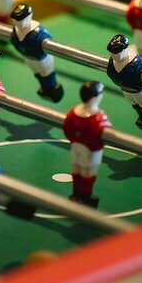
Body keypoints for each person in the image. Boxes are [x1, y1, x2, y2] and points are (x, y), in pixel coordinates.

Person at [62, 80, 112, 208]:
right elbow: (105, 132)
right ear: (95, 97)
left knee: (76, 169)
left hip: (76, 146)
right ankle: (85, 196)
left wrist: (75, 139)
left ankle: (76, 194)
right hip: (91, 150)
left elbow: (67, 128)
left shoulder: (74, 111)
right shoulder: (98, 117)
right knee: (88, 172)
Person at [105, 32, 142, 134]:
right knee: (134, 104)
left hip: (140, 90)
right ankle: (141, 116)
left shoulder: (136, 62)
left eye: (116, 53)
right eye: (112, 53)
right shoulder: (112, 61)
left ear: (124, 49)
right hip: (126, 90)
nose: (114, 56)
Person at [9, 3, 64, 102]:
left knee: (47, 75)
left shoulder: (38, 32)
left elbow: (50, 42)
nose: (18, 22)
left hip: (42, 59)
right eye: (16, 20)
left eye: (21, 19)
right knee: (38, 75)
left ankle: (53, 91)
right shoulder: (16, 30)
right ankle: (44, 89)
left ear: (29, 16)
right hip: (28, 58)